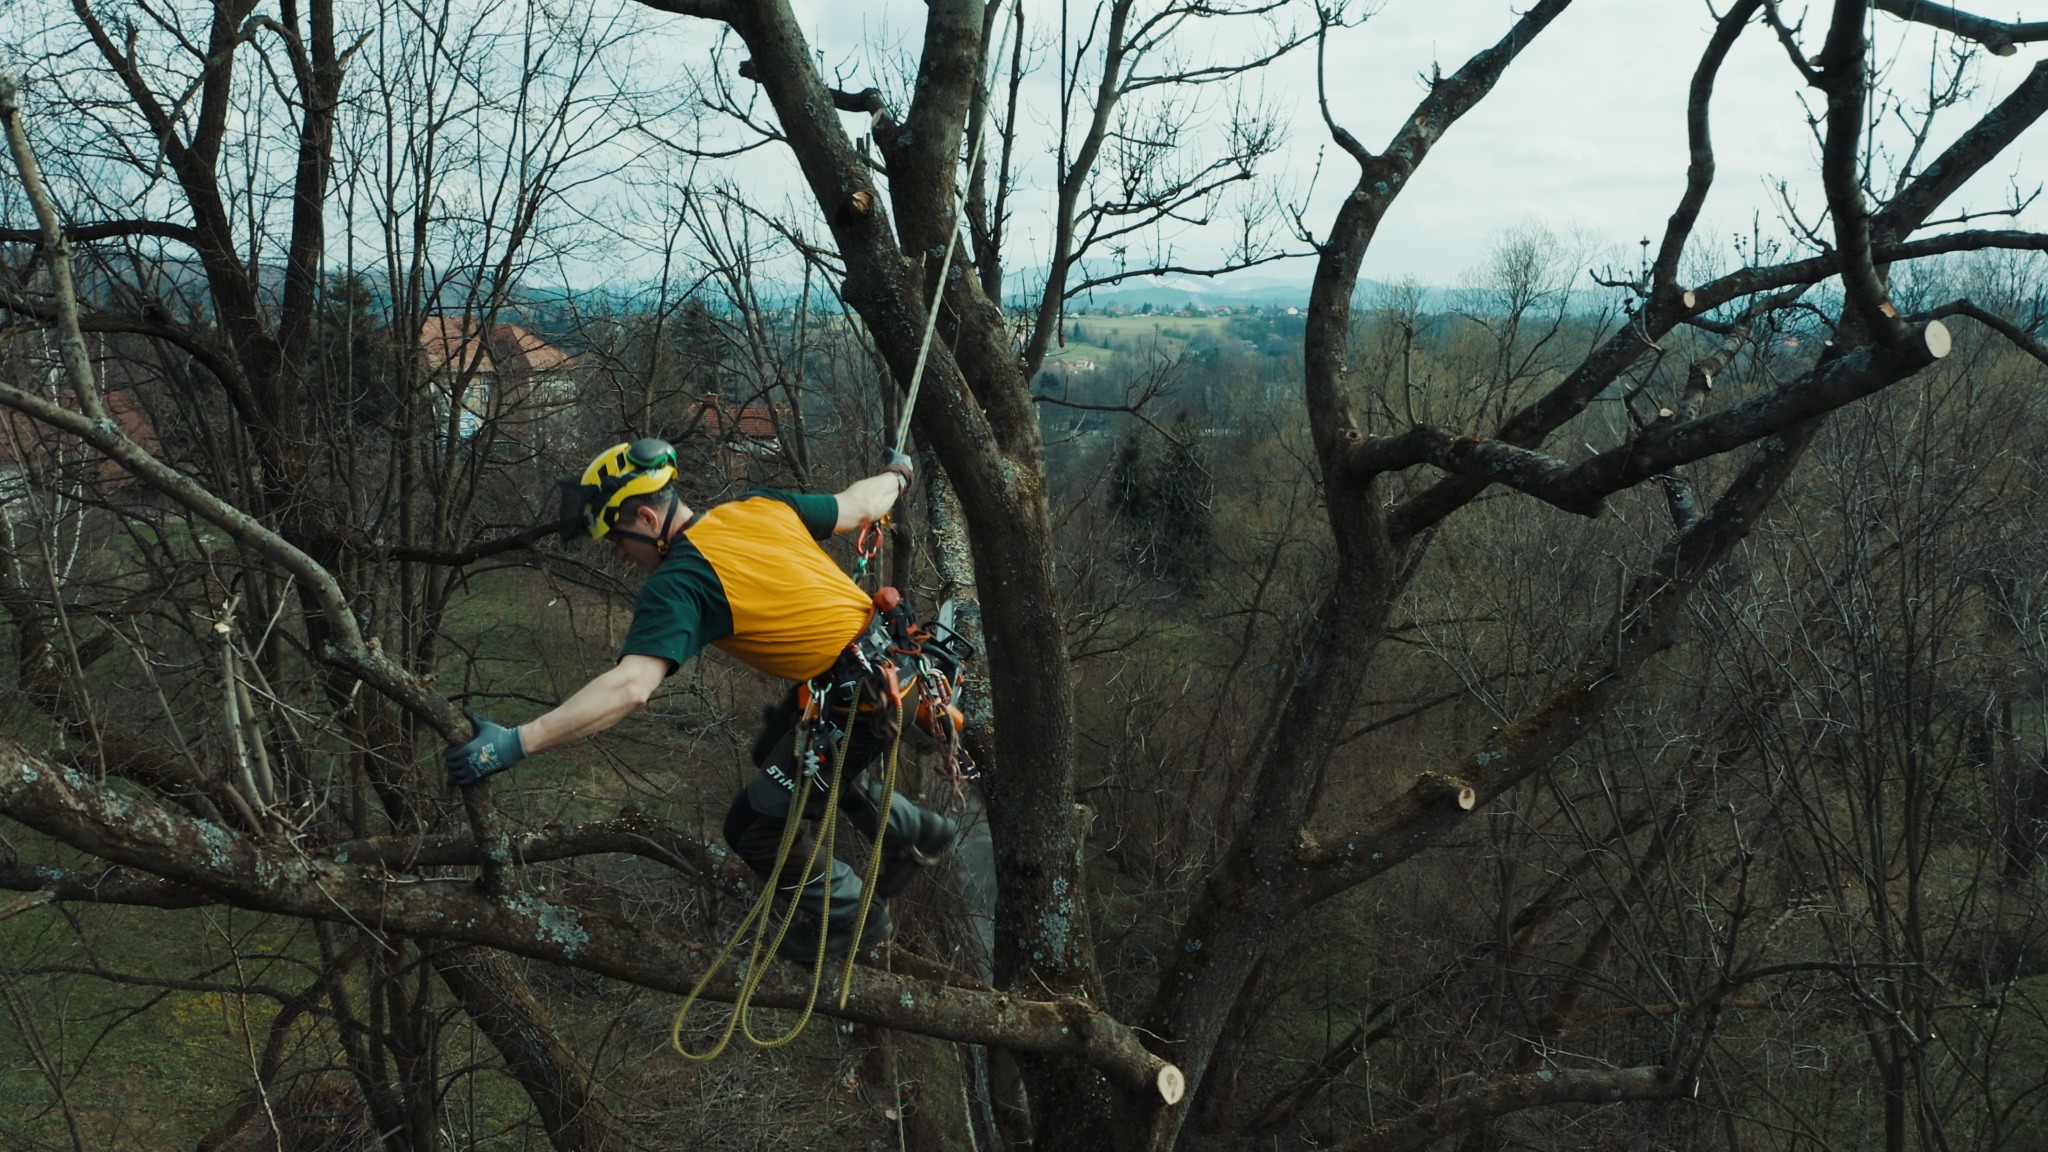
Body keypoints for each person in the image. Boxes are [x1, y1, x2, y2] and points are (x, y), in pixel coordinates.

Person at [443, 438, 962, 958]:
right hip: (897, 667)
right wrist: (899, 476)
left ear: (646, 518)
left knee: (751, 829)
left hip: (860, 700)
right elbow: (862, 504)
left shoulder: (680, 582)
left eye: (617, 539)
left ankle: (852, 917)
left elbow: (630, 687)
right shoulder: (759, 508)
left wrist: (514, 743)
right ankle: (913, 829)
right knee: (775, 749)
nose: (619, 555)